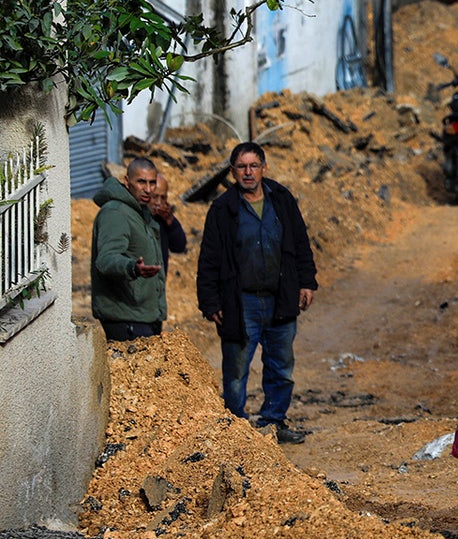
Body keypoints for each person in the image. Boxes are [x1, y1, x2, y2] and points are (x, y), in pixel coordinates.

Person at [196, 142, 318, 445]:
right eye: (241, 167)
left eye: (253, 166)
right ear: (232, 171)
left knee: (281, 365)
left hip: (281, 297)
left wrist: (307, 281)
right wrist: (210, 301)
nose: (248, 172)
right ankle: (235, 428)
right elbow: (209, 259)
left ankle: (274, 422)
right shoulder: (223, 210)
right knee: (236, 368)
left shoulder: (282, 200)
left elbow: (301, 244)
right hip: (241, 301)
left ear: (264, 168)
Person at [91, 157, 167, 341]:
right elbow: (106, 259)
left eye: (152, 183)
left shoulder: (140, 212)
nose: (148, 189)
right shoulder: (116, 212)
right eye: (141, 182)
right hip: (126, 319)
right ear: (127, 182)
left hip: (143, 316)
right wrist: (132, 268)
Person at [151, 172, 187, 273]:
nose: (158, 203)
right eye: (155, 197)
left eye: (163, 198)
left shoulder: (163, 218)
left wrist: (169, 220)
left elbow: (179, 246)